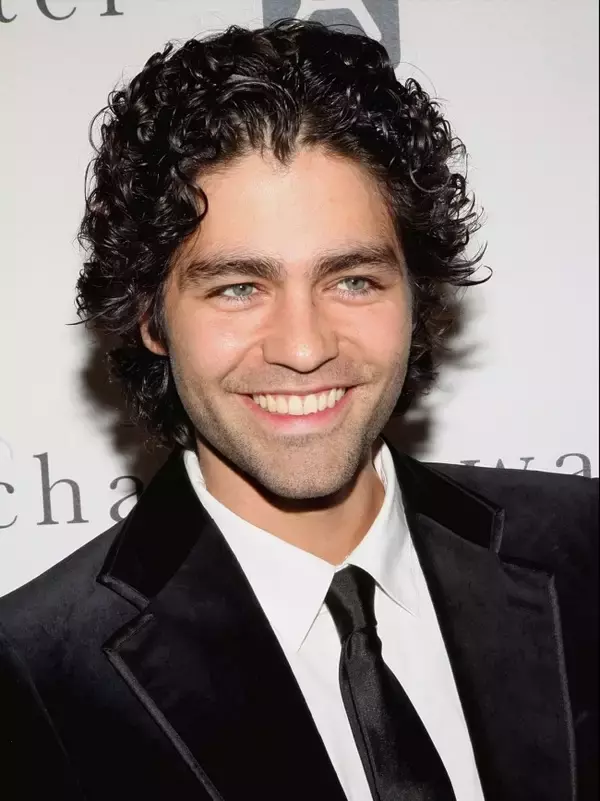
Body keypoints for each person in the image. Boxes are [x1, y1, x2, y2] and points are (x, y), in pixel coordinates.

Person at [0, 19, 596, 801]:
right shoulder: (33, 675)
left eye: (352, 280)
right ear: (151, 318)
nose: (305, 346)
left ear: (416, 295)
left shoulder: (585, 550)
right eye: (238, 288)